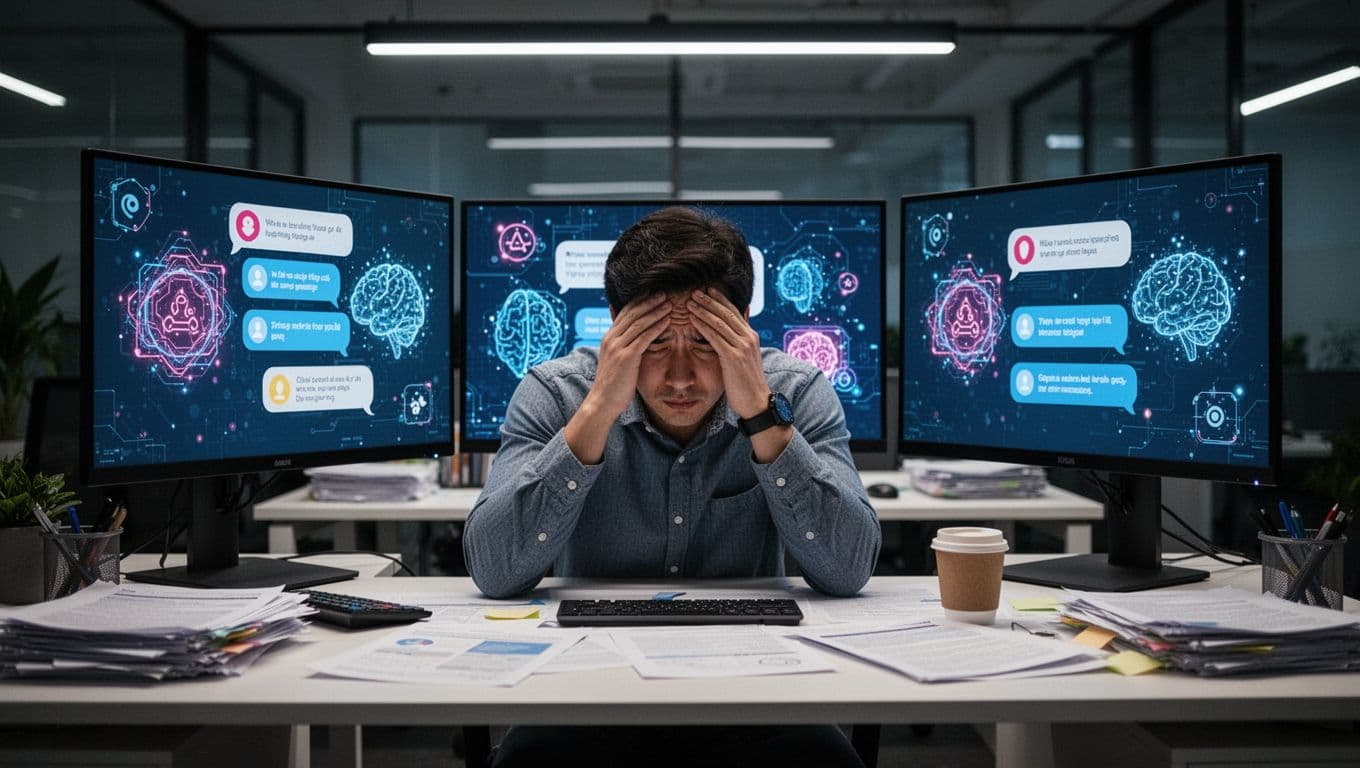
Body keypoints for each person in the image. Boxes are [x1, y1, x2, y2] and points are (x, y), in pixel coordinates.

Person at [464, 206, 880, 767]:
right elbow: (494, 570)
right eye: (655, 344)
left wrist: (760, 416)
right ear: (615, 328)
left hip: (754, 695)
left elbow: (848, 569)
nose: (680, 377)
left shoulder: (793, 394)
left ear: (743, 326)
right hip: (588, 692)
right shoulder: (556, 394)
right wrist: (597, 411)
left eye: (707, 344)